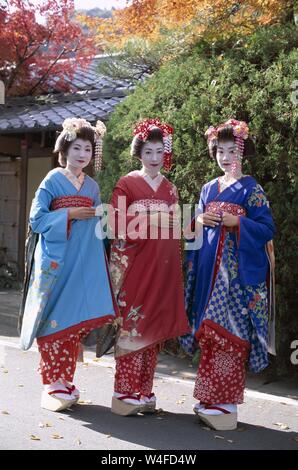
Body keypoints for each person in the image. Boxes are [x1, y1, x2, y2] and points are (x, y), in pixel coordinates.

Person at [183, 119, 276, 430]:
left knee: (231, 334)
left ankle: (225, 403)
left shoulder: (252, 189)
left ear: (242, 152)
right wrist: (198, 221)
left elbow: (266, 228)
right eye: (220, 151)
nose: (226, 157)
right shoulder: (208, 188)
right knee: (210, 333)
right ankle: (209, 397)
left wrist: (239, 224)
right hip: (210, 272)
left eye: (232, 150)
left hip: (237, 278)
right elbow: (192, 229)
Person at [19, 118, 117, 412]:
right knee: (54, 319)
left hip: (83, 260)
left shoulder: (92, 186)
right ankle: (51, 383)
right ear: (65, 148)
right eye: (77, 147)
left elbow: (99, 227)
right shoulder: (52, 180)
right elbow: (36, 220)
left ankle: (66, 380)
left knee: (74, 322)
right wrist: (69, 214)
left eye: (88, 148)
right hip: (56, 260)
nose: (82, 154)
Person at [109, 118, 190, 415]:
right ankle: (124, 390)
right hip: (135, 267)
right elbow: (114, 222)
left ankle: (144, 389)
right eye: (148, 153)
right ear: (139, 154)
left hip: (161, 267)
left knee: (153, 327)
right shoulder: (127, 184)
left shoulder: (170, 189)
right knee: (133, 325)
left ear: (165, 153)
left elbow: (175, 232)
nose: (154, 159)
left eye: (159, 152)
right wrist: (149, 221)